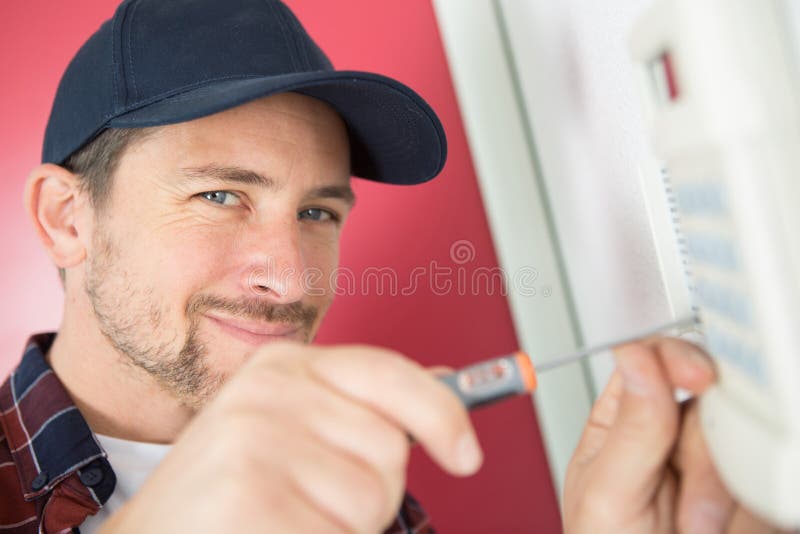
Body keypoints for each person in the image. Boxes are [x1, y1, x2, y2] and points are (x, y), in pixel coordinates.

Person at [0, 0, 784, 532]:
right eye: (219, 196)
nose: (293, 278)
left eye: (317, 213)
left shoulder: (362, 499)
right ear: (67, 219)